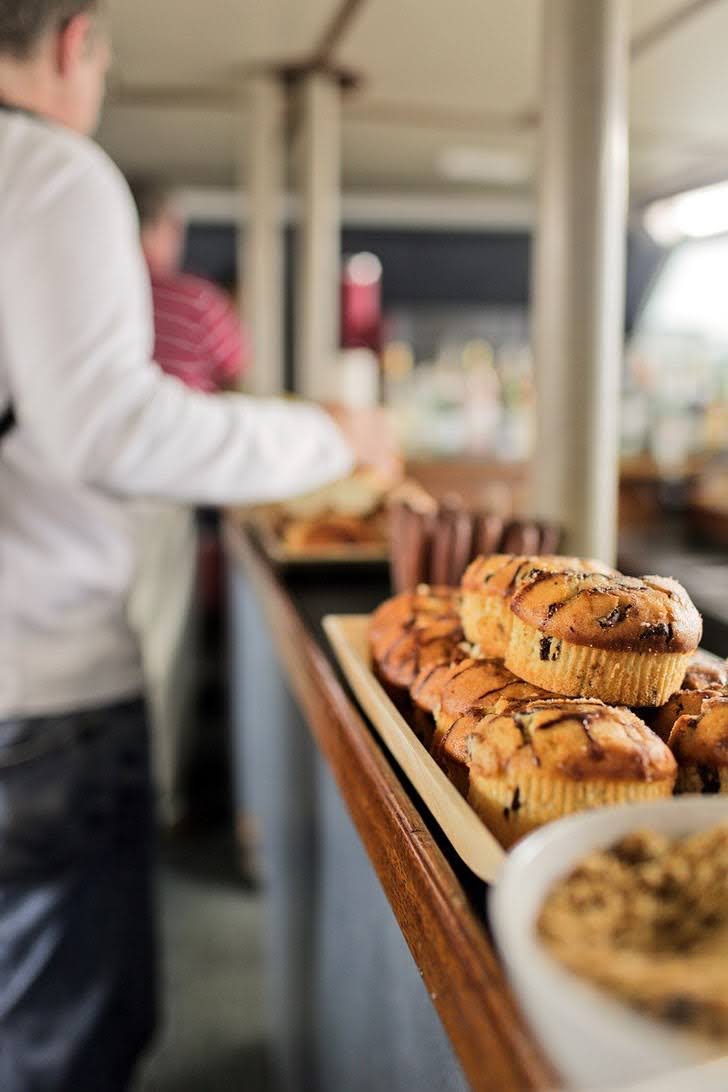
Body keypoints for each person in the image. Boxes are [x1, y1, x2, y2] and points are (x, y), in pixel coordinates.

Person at [0, 3, 365, 1089]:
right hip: (40, 681)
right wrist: (327, 435)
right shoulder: (50, 171)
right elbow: (111, 426)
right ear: (75, 42)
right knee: (64, 1038)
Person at [129, 178, 248, 393]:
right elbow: (239, 369)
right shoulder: (198, 300)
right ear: (157, 227)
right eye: (174, 226)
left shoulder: (101, 302)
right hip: (186, 421)